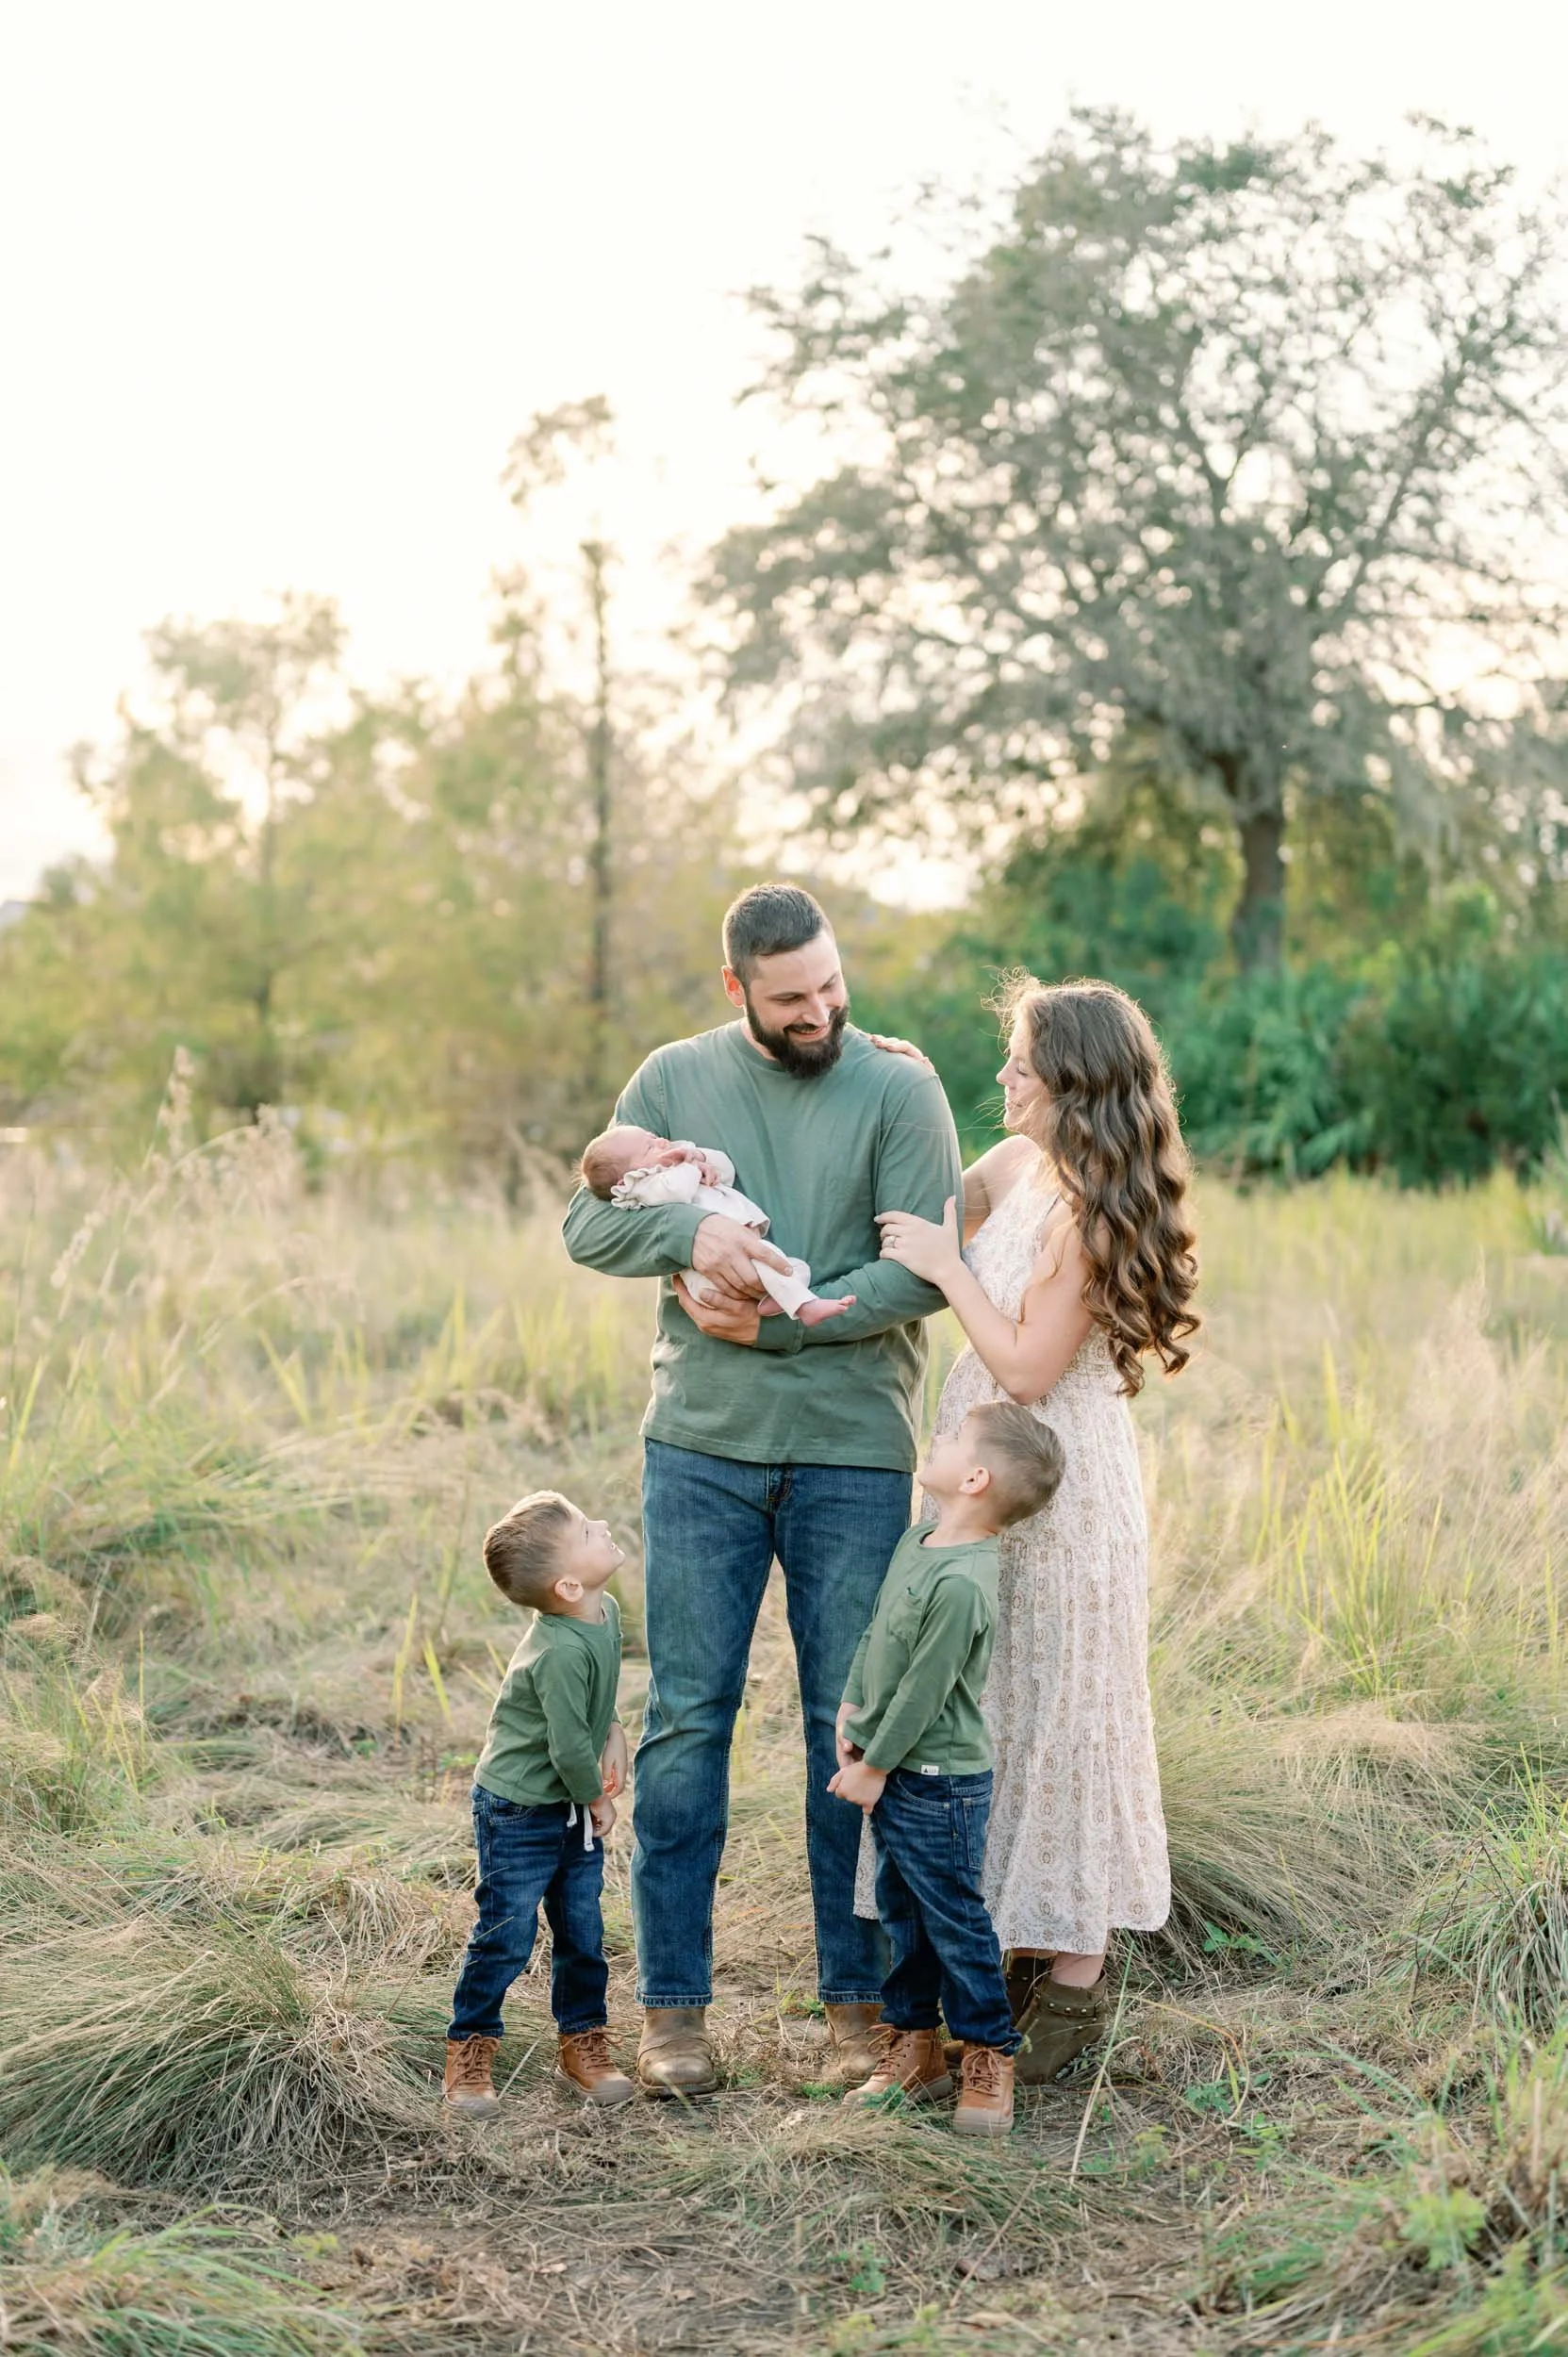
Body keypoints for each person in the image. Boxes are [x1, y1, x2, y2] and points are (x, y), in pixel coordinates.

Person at [561, 882, 963, 2097]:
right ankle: (673, 2012)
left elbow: (927, 1274)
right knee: (690, 1717)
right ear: (736, 988)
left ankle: (857, 2006)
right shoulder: (671, 1080)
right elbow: (587, 1226)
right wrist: (692, 1244)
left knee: (849, 1727)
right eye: (791, 996)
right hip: (699, 1448)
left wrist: (777, 1327)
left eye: (831, 985)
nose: (821, 1009)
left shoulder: (902, 1086)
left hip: (854, 1448)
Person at [872, 976, 1199, 2083]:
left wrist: (946, 1266)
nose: (1003, 1077)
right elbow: (924, 1189)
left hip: (1060, 1492)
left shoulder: (1094, 1212)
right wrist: (893, 1074)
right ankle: (1002, 1937)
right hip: (984, 1479)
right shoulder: (1016, 1168)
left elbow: (1022, 1365)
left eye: (1020, 1063)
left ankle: (1072, 1973)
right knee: (993, 1707)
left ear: (1073, 1082)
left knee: (1063, 1707)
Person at [830, 1402, 1065, 2137]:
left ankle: (987, 2053)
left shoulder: (964, 1582)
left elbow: (927, 1689)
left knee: (953, 1920)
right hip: (894, 1761)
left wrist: (873, 1764)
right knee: (901, 1911)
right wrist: (849, 1708)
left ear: (973, 1476)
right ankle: (913, 2046)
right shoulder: (919, 1539)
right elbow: (877, 1629)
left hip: (936, 1781)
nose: (936, 1443)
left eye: (953, 1440)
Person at [443, 1490, 635, 2118]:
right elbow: (562, 1747)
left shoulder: (602, 1613)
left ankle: (581, 2045)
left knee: (583, 1929)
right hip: (521, 1810)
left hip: (567, 1806)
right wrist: (594, 1800)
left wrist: (614, 1734)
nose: (601, 1525)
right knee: (507, 1932)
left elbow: (596, 1703)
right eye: (586, 1531)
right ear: (567, 1588)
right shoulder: (556, 1650)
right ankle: (469, 2049)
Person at [578, 1124, 849, 1325]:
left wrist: (701, 1159)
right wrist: (688, 1165)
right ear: (627, 1177)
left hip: (739, 1252)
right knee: (776, 1265)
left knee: (794, 1268)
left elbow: (726, 1170)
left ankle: (777, 1299)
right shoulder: (646, 1186)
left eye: (653, 1136)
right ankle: (805, 1307)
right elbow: (678, 1190)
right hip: (708, 1278)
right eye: (649, 1147)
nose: (661, 1141)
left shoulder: (678, 1163)